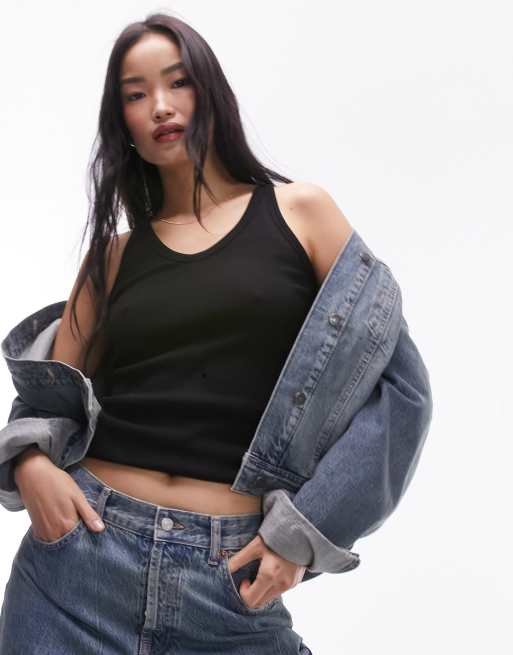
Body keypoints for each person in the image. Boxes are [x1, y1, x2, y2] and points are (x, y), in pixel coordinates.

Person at [0, 11, 366, 654]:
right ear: (123, 124)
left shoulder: (302, 214)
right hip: (78, 567)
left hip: (229, 580)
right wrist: (29, 462)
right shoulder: (111, 258)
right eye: (135, 95)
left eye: (178, 83)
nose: (161, 106)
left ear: (211, 92)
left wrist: (306, 533)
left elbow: (392, 387)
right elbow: (48, 398)